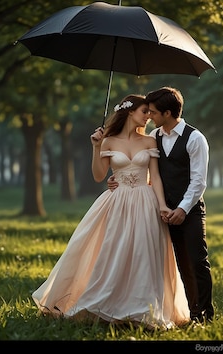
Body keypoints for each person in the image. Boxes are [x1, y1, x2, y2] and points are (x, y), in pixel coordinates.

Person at [31, 94, 190, 329]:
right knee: (114, 251)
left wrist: (162, 205)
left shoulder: (149, 141)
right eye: (144, 111)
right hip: (117, 201)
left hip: (145, 201)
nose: (148, 116)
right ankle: (109, 302)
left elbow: (154, 177)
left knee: (143, 253)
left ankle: (143, 308)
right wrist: (96, 147)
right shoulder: (108, 141)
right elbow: (98, 176)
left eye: (150, 112)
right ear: (129, 111)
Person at [108, 87, 214, 323]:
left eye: (153, 112)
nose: (149, 116)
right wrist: (118, 176)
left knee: (197, 260)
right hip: (161, 211)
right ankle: (190, 310)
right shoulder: (154, 137)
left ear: (167, 113)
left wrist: (182, 209)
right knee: (178, 262)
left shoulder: (195, 138)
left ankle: (205, 315)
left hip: (189, 210)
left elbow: (199, 182)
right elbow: (144, 169)